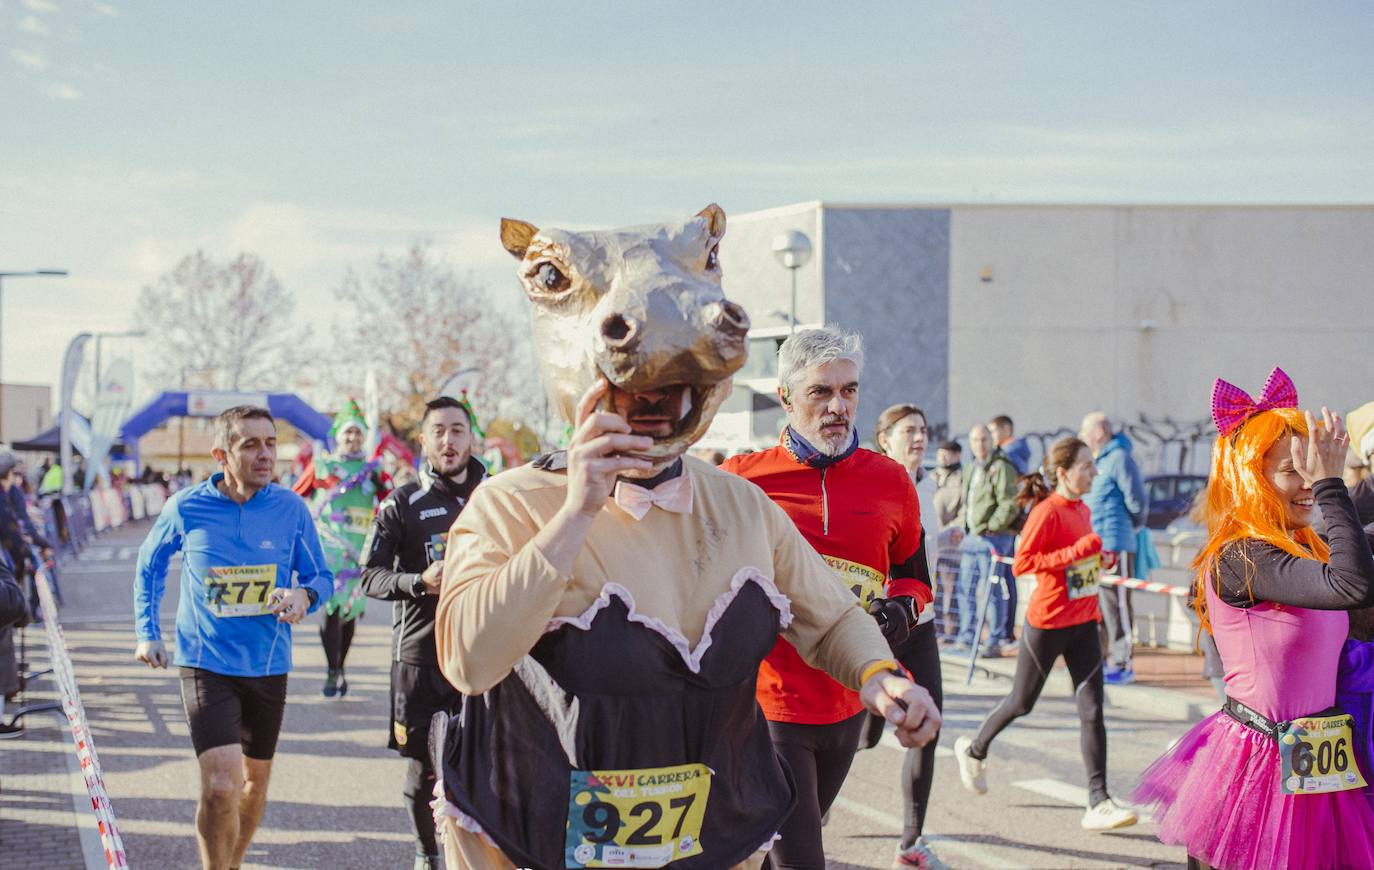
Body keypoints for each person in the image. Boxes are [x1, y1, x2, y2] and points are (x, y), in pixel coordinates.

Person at [1135, 368, 1374, 869]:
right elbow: (1353, 583)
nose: (1307, 485)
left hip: (1319, 763)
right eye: (1293, 470)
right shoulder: (1242, 556)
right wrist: (1331, 482)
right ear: (1251, 476)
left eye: (1310, 468)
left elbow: (1358, 558)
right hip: (1257, 764)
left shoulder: (1304, 547)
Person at [720, 332, 932, 870]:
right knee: (801, 859)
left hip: (849, 703)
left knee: (778, 849)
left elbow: (915, 578)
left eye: (849, 390)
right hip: (768, 704)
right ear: (786, 398)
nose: (838, 406)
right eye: (820, 392)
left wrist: (900, 610)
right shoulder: (742, 479)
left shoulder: (891, 481)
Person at [132, 406, 334, 870]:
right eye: (251, 444)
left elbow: (321, 576)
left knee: (252, 786)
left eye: (270, 443)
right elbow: (149, 565)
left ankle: (233, 862)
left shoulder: (290, 508)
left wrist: (304, 596)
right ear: (221, 454)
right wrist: (148, 632)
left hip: (267, 663)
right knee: (221, 785)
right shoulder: (186, 507)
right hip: (206, 662)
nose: (265, 454)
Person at [954, 436, 1139, 831]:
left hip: (1084, 620)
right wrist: (1076, 553)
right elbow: (1022, 564)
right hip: (1049, 622)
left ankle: (1099, 800)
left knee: (1093, 710)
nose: (1094, 473)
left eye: (1093, 465)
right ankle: (974, 749)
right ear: (1063, 473)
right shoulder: (1046, 511)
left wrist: (1098, 558)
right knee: (1022, 702)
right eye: (1086, 466)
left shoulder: (1083, 509)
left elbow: (1080, 559)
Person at [360, 395, 487, 870]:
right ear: (424, 441)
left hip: (486, 652)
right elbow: (369, 576)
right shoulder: (402, 502)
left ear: (471, 438)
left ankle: (479, 853)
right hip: (420, 658)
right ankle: (426, 853)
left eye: (457, 430)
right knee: (424, 766)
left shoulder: (497, 496)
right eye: (439, 431)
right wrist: (418, 582)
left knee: (486, 760)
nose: (448, 441)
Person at [873, 402, 948, 869]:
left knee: (927, 725)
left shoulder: (931, 486)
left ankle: (910, 843)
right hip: (876, 628)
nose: (919, 438)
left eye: (923, 430)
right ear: (885, 439)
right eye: (908, 431)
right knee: (857, 735)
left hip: (921, 624)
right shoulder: (876, 483)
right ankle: (812, 806)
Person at [293, 400, 390, 697]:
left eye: (358, 433)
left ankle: (341, 666)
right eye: (348, 432)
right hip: (330, 551)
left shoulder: (373, 470)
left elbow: (392, 502)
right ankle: (331, 669)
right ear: (338, 435)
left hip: (359, 552)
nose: (353, 438)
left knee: (350, 612)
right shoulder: (323, 466)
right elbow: (294, 498)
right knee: (332, 610)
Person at [1080, 412, 1148, 685]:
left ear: (1098, 432)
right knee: (1097, 605)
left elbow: (1137, 500)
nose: (1082, 436)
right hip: (1095, 545)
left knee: (1116, 605)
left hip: (1115, 543)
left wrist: (1130, 528)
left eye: (1085, 431)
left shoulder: (1119, 458)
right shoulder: (1098, 460)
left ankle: (1123, 663)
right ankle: (1101, 658)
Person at [954, 424, 1020, 656]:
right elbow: (967, 502)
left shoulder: (1001, 466)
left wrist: (993, 526)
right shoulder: (971, 467)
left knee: (992, 590)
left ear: (991, 441)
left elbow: (1010, 502)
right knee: (965, 588)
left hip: (993, 538)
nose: (979, 445)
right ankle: (967, 637)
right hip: (972, 536)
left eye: (983, 439)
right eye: (975, 440)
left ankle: (994, 638)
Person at [931, 441, 964, 640]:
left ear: (957, 455)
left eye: (946, 454)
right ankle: (936, 629)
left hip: (950, 543)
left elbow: (963, 511)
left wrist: (951, 532)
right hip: (930, 542)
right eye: (939, 454)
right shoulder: (931, 477)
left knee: (949, 589)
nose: (942, 458)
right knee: (933, 589)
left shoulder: (961, 479)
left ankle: (951, 631)